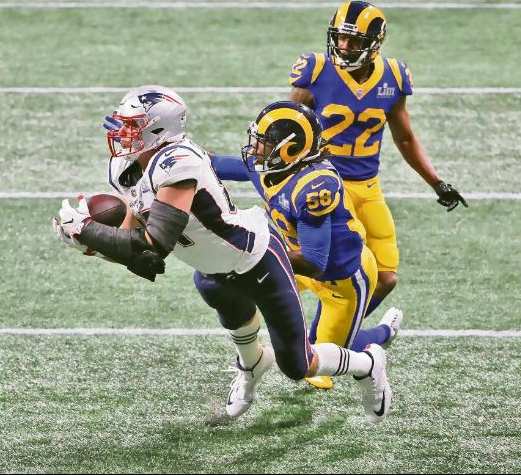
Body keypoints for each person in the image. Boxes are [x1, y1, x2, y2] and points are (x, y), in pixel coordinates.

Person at [53, 85, 392, 422]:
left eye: (132, 125)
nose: (122, 133)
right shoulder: (125, 169)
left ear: (157, 129)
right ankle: (252, 367)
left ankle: (368, 362)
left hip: (256, 260)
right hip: (212, 269)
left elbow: (153, 247)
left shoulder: (177, 164)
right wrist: (93, 244)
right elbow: (139, 253)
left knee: (297, 365)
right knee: (233, 317)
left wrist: (86, 229)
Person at [288, 0, 467, 317]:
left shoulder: (393, 77)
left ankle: (336, 337)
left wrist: (436, 182)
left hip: (367, 188)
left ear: (374, 43)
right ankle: (284, 340)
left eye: (353, 40)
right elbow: (291, 131)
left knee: (385, 277)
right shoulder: (315, 71)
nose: (343, 46)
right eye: (339, 37)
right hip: (325, 188)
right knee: (309, 273)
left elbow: (405, 138)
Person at [211, 100, 402, 391]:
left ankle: (383, 333)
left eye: (264, 142)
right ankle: (250, 359)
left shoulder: (314, 185)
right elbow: (211, 164)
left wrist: (257, 253)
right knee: (234, 287)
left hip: (342, 279)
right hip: (297, 265)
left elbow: (315, 260)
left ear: (289, 149)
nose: (255, 148)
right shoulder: (266, 168)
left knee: (313, 361)